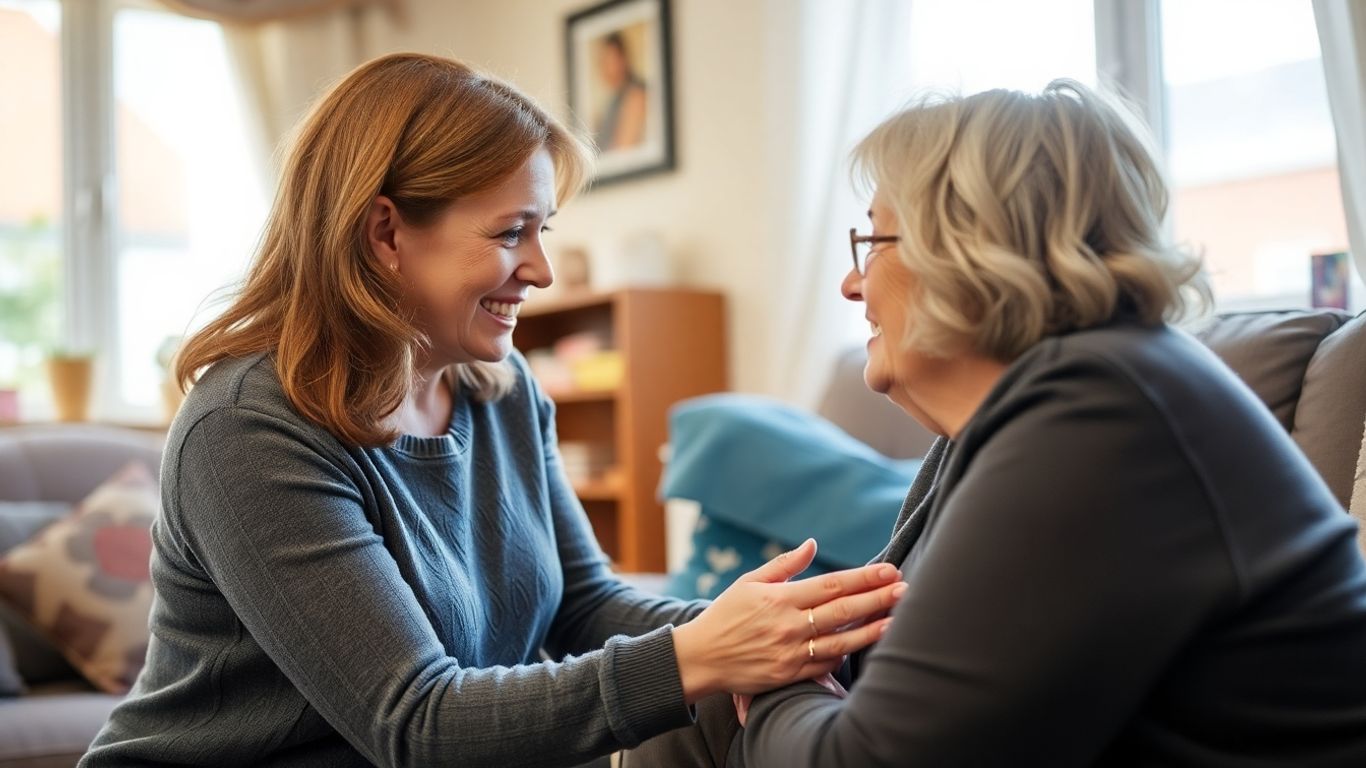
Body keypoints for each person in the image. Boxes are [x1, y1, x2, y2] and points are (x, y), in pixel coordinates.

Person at [78, 53, 904, 768]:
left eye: (543, 230)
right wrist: (699, 655)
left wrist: (797, 625)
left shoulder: (500, 394)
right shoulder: (249, 427)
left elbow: (583, 606)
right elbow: (415, 723)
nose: (541, 271)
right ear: (384, 234)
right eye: (512, 233)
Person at [632, 80, 1366, 766]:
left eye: (873, 242)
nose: (852, 283)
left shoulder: (1103, 414)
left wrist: (774, 678)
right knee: (692, 714)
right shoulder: (1032, 411)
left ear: (964, 247)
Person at [593, 31, 647, 151]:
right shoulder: (611, 103)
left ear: (623, 59)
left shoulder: (636, 94)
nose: (603, 68)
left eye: (608, 60)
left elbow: (623, 150)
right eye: (601, 61)